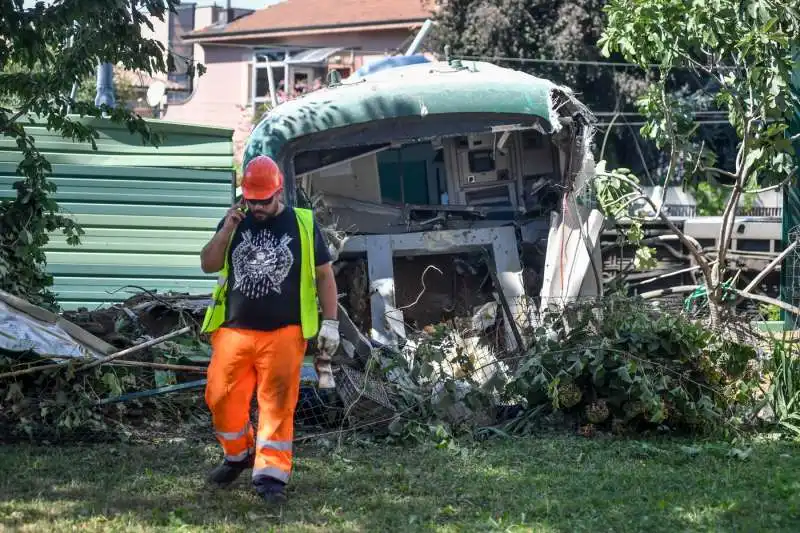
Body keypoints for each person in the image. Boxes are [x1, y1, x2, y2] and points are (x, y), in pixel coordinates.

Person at [198, 154, 340, 505]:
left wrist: (332, 322)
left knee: (277, 405)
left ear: (278, 192)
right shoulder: (235, 221)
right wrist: (228, 228)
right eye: (251, 199)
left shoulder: (303, 224)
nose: (257, 207)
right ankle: (238, 455)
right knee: (219, 396)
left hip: (284, 332)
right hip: (234, 330)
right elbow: (207, 264)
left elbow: (324, 276)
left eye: (263, 200)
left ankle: (271, 478)